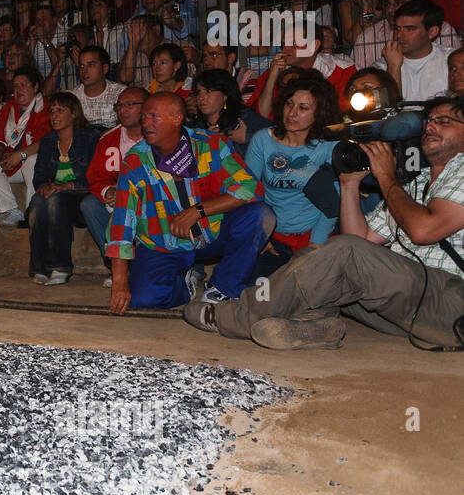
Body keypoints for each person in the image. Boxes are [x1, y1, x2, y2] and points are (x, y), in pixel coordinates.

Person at [187, 95, 464, 351]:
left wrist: (386, 178)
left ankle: (233, 317)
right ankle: (319, 325)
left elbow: (423, 230)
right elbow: (360, 241)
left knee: (343, 253)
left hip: (449, 304)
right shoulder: (414, 185)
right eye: (429, 121)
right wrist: (350, 185)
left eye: (444, 121)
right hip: (408, 312)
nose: (430, 127)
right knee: (321, 256)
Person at [107, 92, 268, 313]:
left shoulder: (211, 145)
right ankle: (184, 287)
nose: (145, 123)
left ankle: (222, 287)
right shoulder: (135, 162)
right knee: (141, 302)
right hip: (164, 244)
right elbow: (121, 223)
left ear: (177, 118)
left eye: (154, 116)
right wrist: (120, 281)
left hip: (211, 234)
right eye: (144, 117)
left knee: (260, 215)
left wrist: (198, 211)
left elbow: (251, 188)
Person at [246, 78, 340, 279]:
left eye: (303, 108)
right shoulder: (262, 140)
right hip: (272, 236)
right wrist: (260, 236)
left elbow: (332, 203)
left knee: (309, 295)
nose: (292, 113)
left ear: (319, 113)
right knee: (259, 295)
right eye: (289, 104)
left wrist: (315, 246)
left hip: (314, 235)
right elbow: (248, 191)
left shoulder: (328, 147)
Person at [27, 93, 99, 285]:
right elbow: (39, 175)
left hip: (81, 196)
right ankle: (39, 268)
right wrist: (43, 187)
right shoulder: (48, 141)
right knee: (37, 202)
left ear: (74, 113)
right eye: (51, 111)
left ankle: (60, 267)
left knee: (54, 200)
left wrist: (67, 186)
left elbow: (94, 176)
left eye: (61, 110)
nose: (54, 115)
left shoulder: (89, 138)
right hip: (56, 194)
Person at [83, 87, 146, 275]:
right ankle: (118, 265)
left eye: (129, 105)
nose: (122, 110)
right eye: (119, 106)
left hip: (150, 199)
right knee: (89, 204)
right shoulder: (108, 140)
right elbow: (96, 177)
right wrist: (106, 191)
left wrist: (127, 192)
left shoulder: (160, 135)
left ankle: (146, 265)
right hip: (116, 200)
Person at [0, 66, 50, 226]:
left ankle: (32, 211)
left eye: (24, 85)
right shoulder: (9, 107)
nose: (19, 90)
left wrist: (20, 155)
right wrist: (1, 155)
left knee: (32, 161)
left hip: (33, 162)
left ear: (35, 87)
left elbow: (45, 142)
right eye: (16, 86)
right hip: (11, 162)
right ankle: (10, 210)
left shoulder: (45, 107)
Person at [376, 0, 455, 101]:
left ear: (432, 32)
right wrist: (393, 68)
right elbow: (389, 110)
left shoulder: (451, 61)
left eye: (410, 29)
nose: (399, 35)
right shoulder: (382, 66)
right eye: (397, 28)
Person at [188, 69, 269, 159]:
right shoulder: (195, 126)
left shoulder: (244, 118)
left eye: (208, 91)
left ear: (225, 95)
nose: (201, 98)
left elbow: (279, 141)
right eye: (198, 92)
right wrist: (204, 144)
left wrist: (248, 138)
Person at [71, 45, 126, 130]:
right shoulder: (72, 97)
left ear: (104, 68)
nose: (84, 71)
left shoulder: (121, 93)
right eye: (82, 66)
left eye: (91, 65)